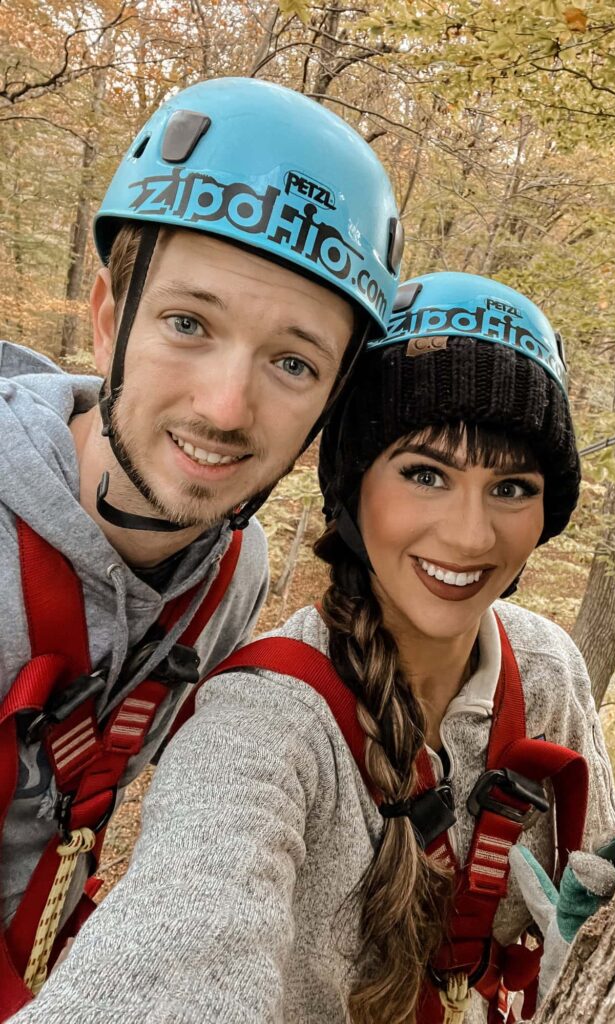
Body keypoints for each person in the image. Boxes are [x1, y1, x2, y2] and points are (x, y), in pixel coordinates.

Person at [9, 273, 615, 1024]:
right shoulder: (264, 721)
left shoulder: (547, 669)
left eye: (513, 488)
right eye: (425, 474)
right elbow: (180, 955)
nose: (470, 535)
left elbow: (600, 866)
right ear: (352, 487)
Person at [0, 76, 401, 1016]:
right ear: (110, 318)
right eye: (189, 324)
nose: (225, 409)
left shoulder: (230, 573)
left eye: (292, 362)